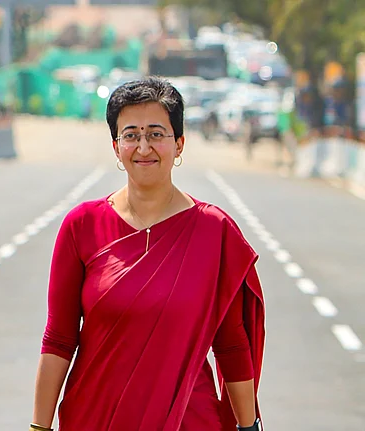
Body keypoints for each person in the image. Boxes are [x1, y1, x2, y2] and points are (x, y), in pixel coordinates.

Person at [31, 77, 265, 431]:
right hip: (94, 418)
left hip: (189, 419)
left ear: (179, 143)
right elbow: (59, 338)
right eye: (131, 135)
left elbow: (231, 344)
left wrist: (249, 427)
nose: (143, 147)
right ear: (115, 146)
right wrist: (39, 426)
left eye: (156, 134)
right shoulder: (82, 226)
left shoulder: (214, 230)